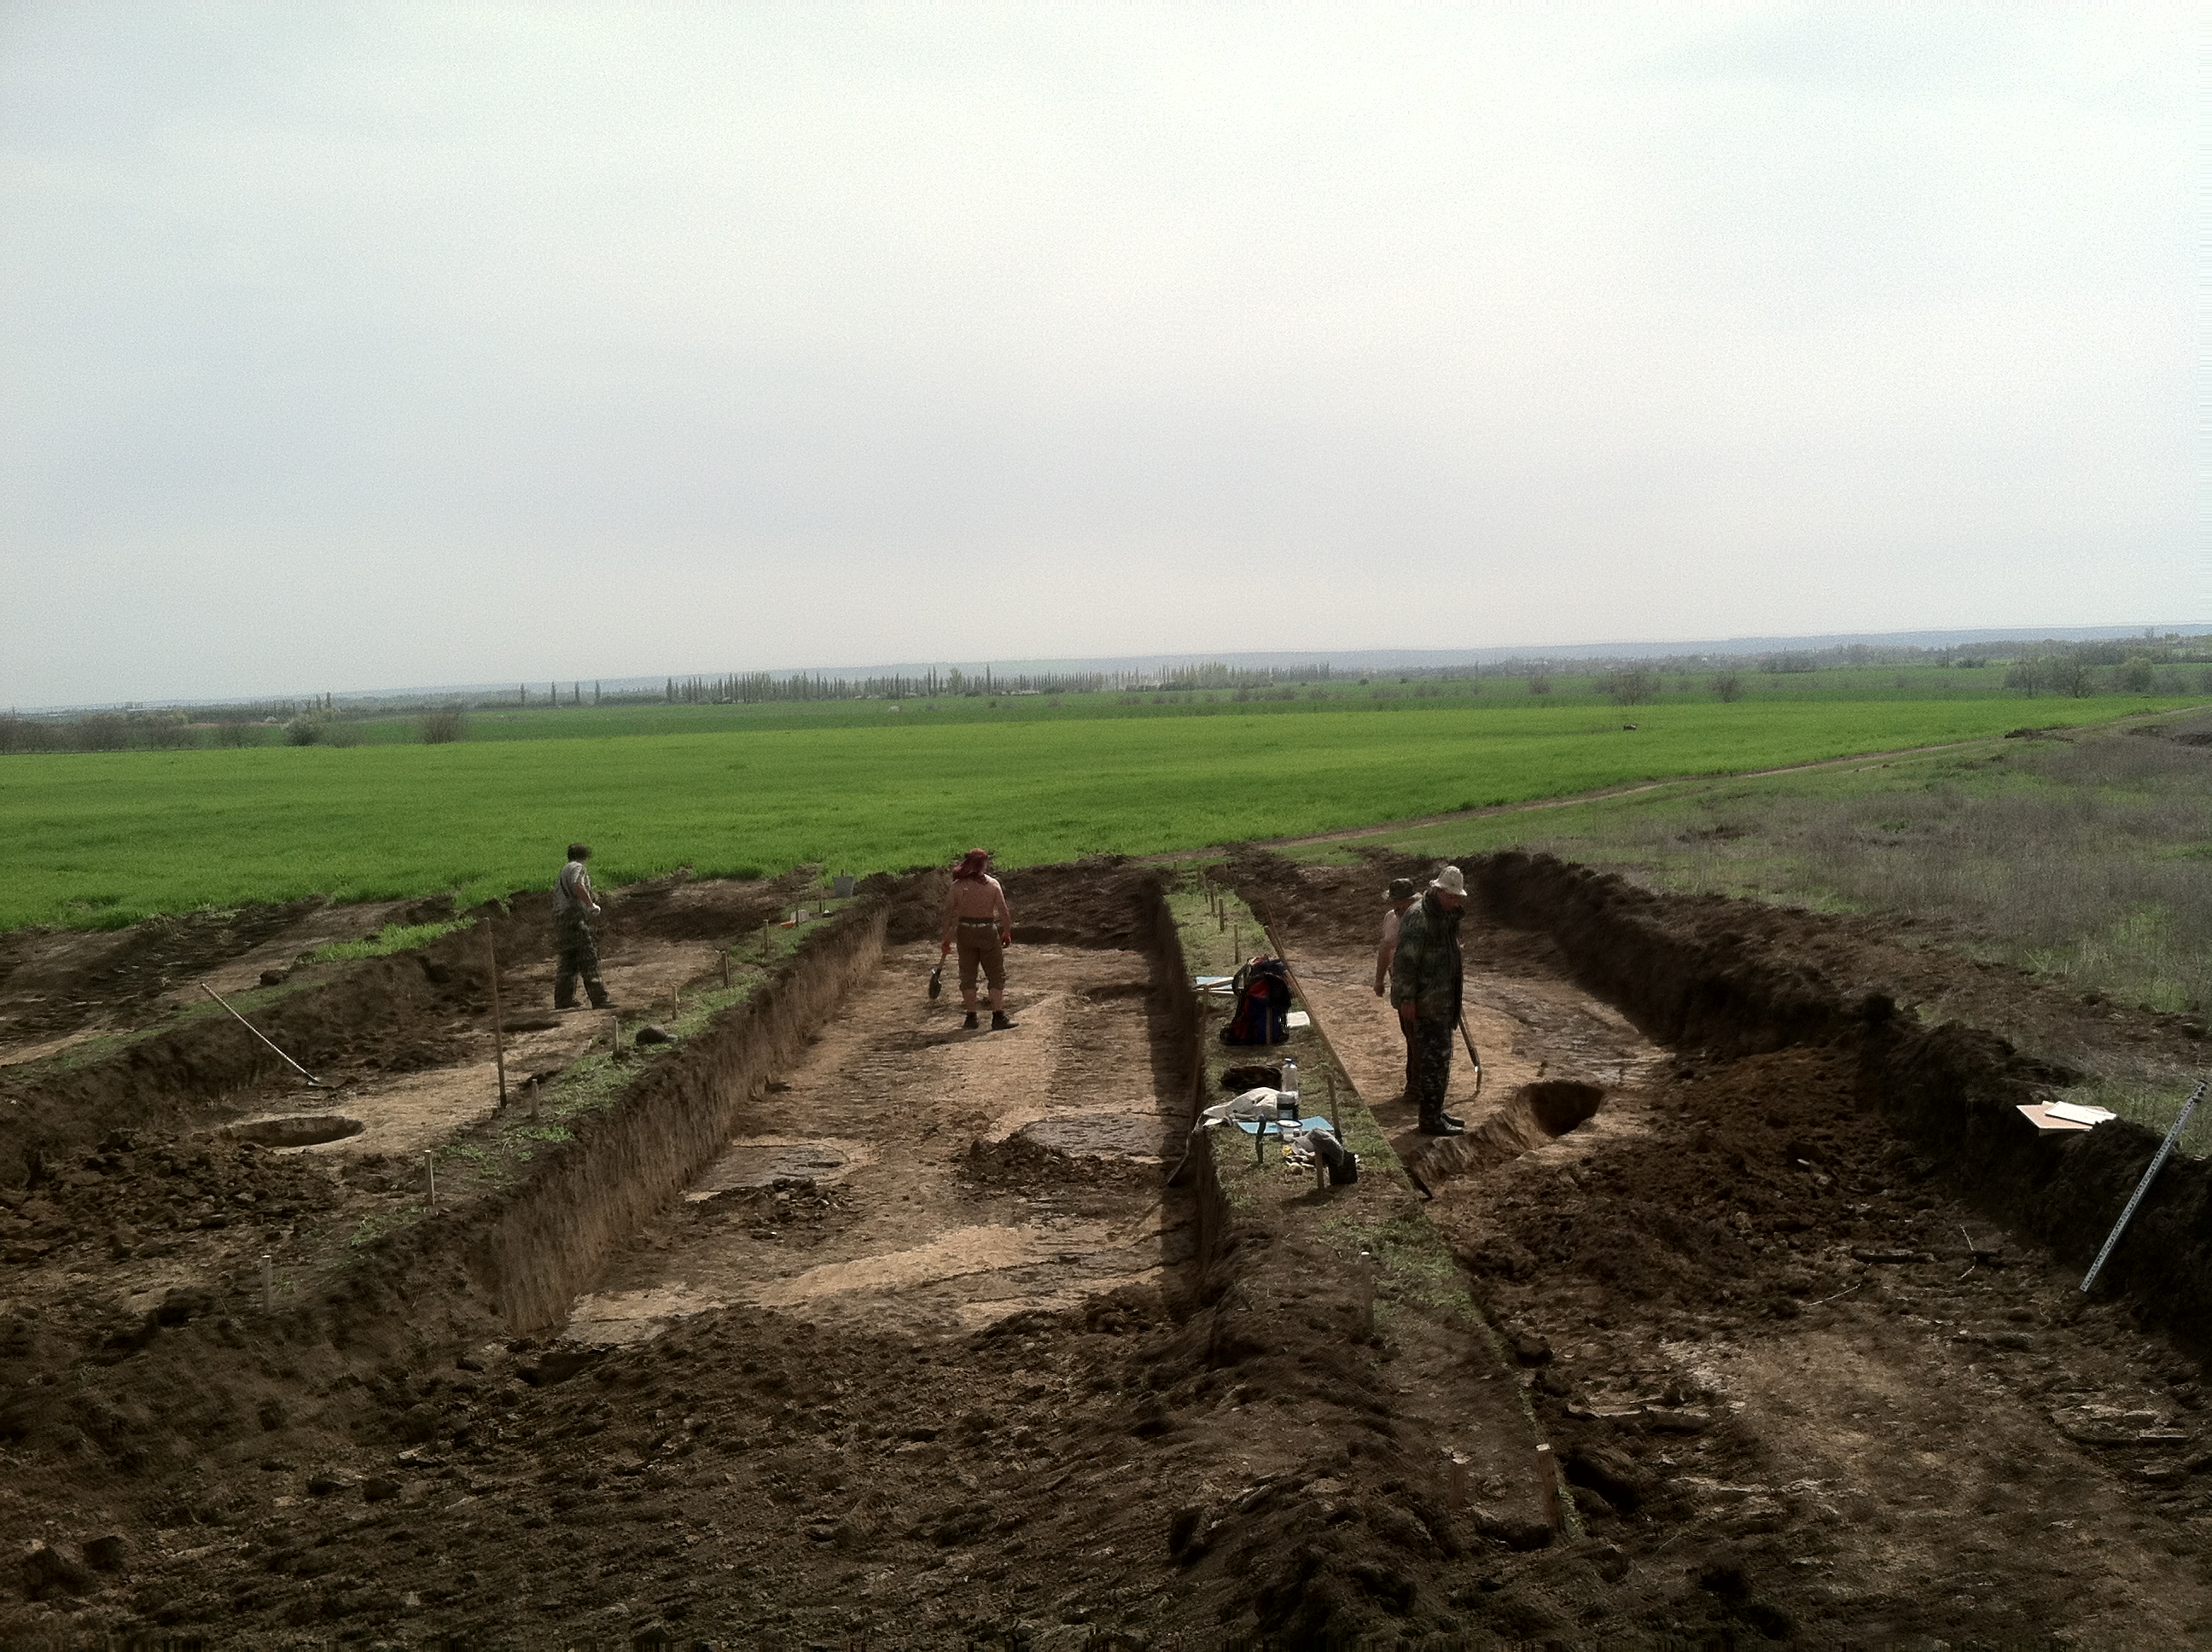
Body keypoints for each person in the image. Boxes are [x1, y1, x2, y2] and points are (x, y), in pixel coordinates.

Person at [1389, 864, 1472, 1135]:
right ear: (1439, 891)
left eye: (1458, 897)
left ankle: (1434, 1112)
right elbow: (1405, 964)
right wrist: (1407, 1000)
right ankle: (1429, 1121)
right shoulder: (1419, 918)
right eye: (1452, 897)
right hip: (1426, 1004)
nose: (1456, 902)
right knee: (1432, 1063)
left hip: (1443, 1002)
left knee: (1440, 1062)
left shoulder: (1445, 916)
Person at [940, 847, 1016, 1031]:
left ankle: (971, 1017)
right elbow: (1004, 911)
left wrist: (946, 937)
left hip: (965, 932)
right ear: (983, 864)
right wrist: (1007, 932)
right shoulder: (993, 885)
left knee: (968, 975)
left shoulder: (957, 886)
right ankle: (998, 1016)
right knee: (995, 974)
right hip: (987, 931)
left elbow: (949, 912)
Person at [1373, 876, 1419, 1098]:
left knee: (1417, 1034)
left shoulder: (1421, 919)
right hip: (1398, 980)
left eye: (1402, 901)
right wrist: (1379, 979)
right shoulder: (1390, 918)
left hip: (1420, 982)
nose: (1398, 905)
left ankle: (1416, 1084)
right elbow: (1385, 949)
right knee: (1409, 1032)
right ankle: (1415, 1082)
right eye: (1395, 901)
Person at [552, 842, 613, 1010]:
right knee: (588, 957)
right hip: (574, 917)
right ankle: (599, 998)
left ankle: (563, 999)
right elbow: (577, 885)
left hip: (561, 918)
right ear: (585, 856)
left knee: (569, 959)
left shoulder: (564, 870)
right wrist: (590, 905)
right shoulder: (578, 868)